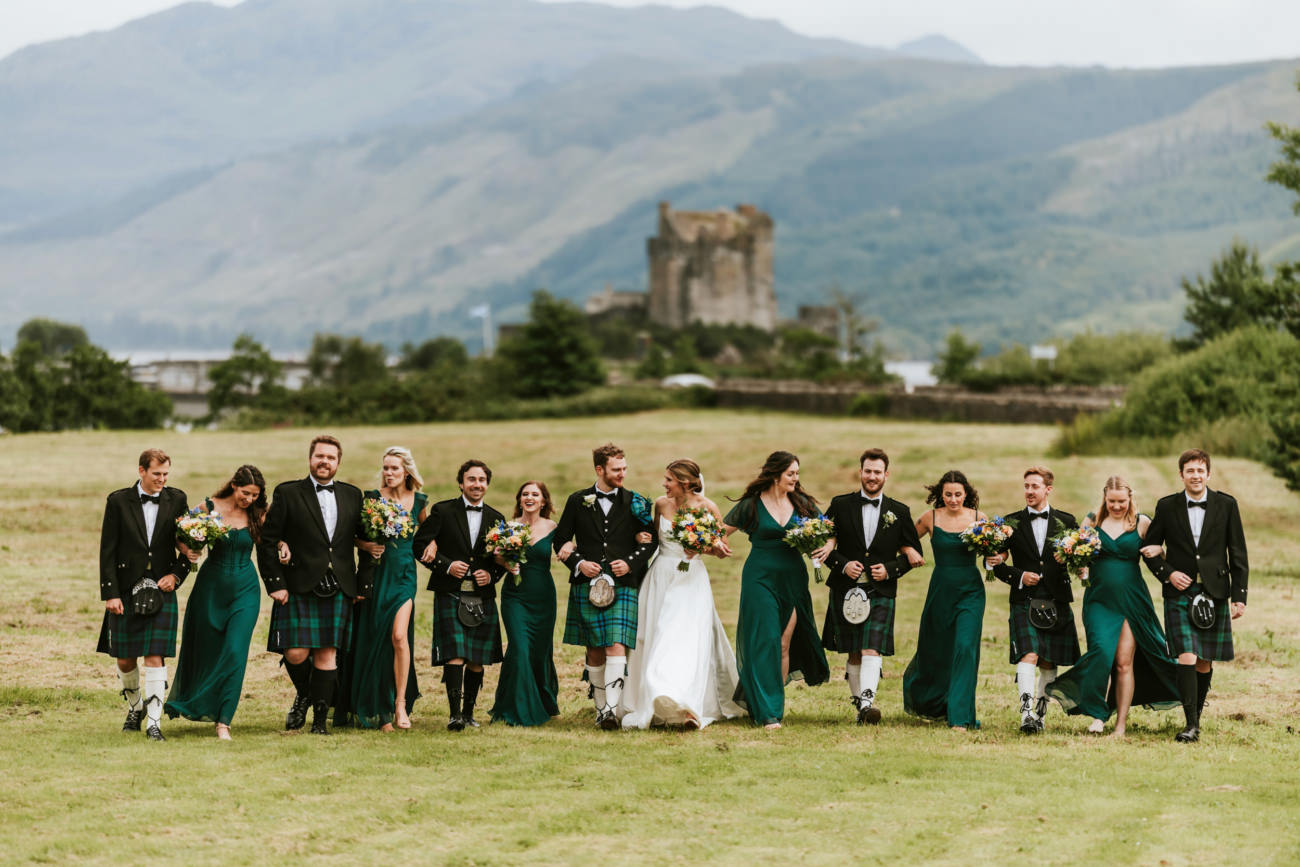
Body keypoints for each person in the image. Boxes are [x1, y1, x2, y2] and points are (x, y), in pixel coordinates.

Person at [256, 435, 373, 735]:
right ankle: (306, 694)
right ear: (310, 459)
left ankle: (320, 722)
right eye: (320, 456)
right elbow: (268, 541)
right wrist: (275, 584)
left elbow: (367, 543)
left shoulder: (352, 495)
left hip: (339, 585)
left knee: (327, 654)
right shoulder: (289, 492)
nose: (325, 462)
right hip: (298, 584)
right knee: (295, 652)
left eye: (331, 457)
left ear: (338, 463)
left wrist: (363, 583)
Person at [1047, 476, 1180, 736]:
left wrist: (1162, 556)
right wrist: (1078, 565)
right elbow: (1075, 558)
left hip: (1132, 600)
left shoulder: (1142, 523)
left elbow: (1160, 554)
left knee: (1122, 663)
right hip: (1099, 600)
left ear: (1130, 498)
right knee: (1100, 652)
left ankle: (1120, 724)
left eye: (1121, 501)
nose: (1117, 506)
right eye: (1112, 501)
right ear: (1104, 498)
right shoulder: (1092, 521)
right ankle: (1098, 712)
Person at [620, 459, 742, 730]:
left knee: (683, 641)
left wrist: (707, 548)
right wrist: (641, 540)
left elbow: (721, 545)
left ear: (685, 482)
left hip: (690, 581)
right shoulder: (662, 505)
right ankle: (655, 701)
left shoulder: (708, 507)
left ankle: (684, 704)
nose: (664, 485)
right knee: (654, 636)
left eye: (669, 480)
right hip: (660, 576)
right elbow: (652, 539)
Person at [1140, 449, 1248, 743]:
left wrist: (1240, 595)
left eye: (1200, 470)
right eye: (1190, 471)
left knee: (1204, 660)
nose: (1196, 476)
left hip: (1214, 591)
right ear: (1181, 475)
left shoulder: (1226, 505)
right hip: (1180, 592)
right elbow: (1149, 550)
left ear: (1208, 474)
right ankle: (1190, 724)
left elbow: (1237, 551)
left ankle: (1195, 719)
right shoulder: (1167, 506)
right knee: (1186, 654)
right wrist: (1168, 573)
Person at [721, 451, 830, 730]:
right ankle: (767, 713)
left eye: (797, 473)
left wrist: (828, 546)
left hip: (793, 578)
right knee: (765, 640)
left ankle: (771, 705)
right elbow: (721, 531)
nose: (795, 478)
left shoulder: (802, 503)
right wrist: (715, 545)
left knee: (783, 643)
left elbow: (829, 530)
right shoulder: (752, 505)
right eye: (791, 473)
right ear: (775, 474)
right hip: (760, 577)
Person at [553, 443, 658, 730]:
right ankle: (601, 710)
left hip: (623, 583)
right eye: (616, 470)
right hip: (588, 585)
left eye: (624, 469)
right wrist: (578, 562)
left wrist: (631, 562)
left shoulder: (635, 501)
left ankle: (611, 710)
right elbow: (560, 539)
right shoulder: (578, 500)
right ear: (600, 470)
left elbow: (651, 542)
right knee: (594, 649)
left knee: (615, 645)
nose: (622, 474)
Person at [816, 448, 924, 725]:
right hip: (845, 587)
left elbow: (914, 554)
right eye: (868, 471)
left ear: (886, 475)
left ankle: (867, 704)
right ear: (860, 472)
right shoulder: (840, 505)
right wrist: (842, 564)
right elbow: (823, 543)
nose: (872, 476)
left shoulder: (899, 511)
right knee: (853, 649)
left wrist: (890, 569)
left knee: (871, 647)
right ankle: (861, 706)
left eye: (877, 472)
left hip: (880, 590)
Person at [97, 448, 195, 741]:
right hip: (127, 588)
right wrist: (110, 593)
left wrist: (177, 575)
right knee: (125, 659)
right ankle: (135, 707)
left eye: (166, 474)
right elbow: (107, 551)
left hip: (161, 588)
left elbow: (189, 546)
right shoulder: (118, 501)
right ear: (141, 471)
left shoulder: (177, 499)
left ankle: (154, 723)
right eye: (156, 474)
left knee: (155, 656)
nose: (162, 480)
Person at [164, 465, 267, 739]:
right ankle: (199, 699)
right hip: (210, 589)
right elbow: (178, 531)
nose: (249, 499)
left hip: (245, 589)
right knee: (207, 649)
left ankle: (224, 721)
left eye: (255, 495)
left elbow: (275, 540)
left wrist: (283, 546)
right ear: (234, 485)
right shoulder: (208, 506)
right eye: (246, 493)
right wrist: (186, 548)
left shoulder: (258, 514)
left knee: (235, 651)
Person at [412, 459, 508, 731]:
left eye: (481, 480)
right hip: (450, 592)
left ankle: (468, 713)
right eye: (471, 479)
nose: (477, 484)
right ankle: (454, 715)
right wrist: (445, 565)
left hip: (482, 595)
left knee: (477, 658)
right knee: (455, 653)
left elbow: (502, 559)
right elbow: (419, 545)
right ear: (461, 483)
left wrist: (492, 575)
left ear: (487, 484)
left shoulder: (496, 518)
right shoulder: (442, 511)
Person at [336, 447, 427, 731]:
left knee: (399, 636)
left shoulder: (420, 501)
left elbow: (428, 536)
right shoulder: (371, 499)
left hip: (403, 576)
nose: (389, 473)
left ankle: (399, 704)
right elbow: (348, 535)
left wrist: (434, 545)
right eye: (386, 468)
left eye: (394, 469)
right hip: (375, 575)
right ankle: (379, 709)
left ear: (407, 472)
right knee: (375, 639)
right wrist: (366, 545)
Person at [987, 466, 1082, 734]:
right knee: (1029, 654)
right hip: (1024, 599)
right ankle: (1026, 715)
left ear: (1048, 489)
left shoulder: (1066, 521)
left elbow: (1077, 559)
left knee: (1049, 660)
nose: (1029, 491)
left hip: (1056, 600)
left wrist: (1081, 566)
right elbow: (995, 563)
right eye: (1026, 486)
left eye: (1035, 487)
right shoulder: (1010, 522)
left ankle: (1040, 716)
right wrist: (1019, 575)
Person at [902, 470, 987, 730]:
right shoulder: (930, 518)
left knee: (965, 648)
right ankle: (932, 701)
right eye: (948, 494)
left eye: (958, 494)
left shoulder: (978, 518)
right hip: (940, 590)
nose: (953, 499)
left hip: (970, 592)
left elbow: (996, 550)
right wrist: (908, 550)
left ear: (966, 494)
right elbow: (902, 538)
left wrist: (996, 555)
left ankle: (959, 717)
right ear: (940, 494)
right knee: (936, 648)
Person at [489, 481, 562, 727]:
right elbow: (495, 554)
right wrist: (504, 561)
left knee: (539, 650)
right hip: (515, 596)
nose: (529, 497)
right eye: (525, 494)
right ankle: (518, 708)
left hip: (543, 596)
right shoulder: (508, 527)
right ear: (519, 499)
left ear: (543, 501)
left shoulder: (552, 526)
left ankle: (543, 700)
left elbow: (566, 546)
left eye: (535, 494)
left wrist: (570, 548)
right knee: (519, 647)